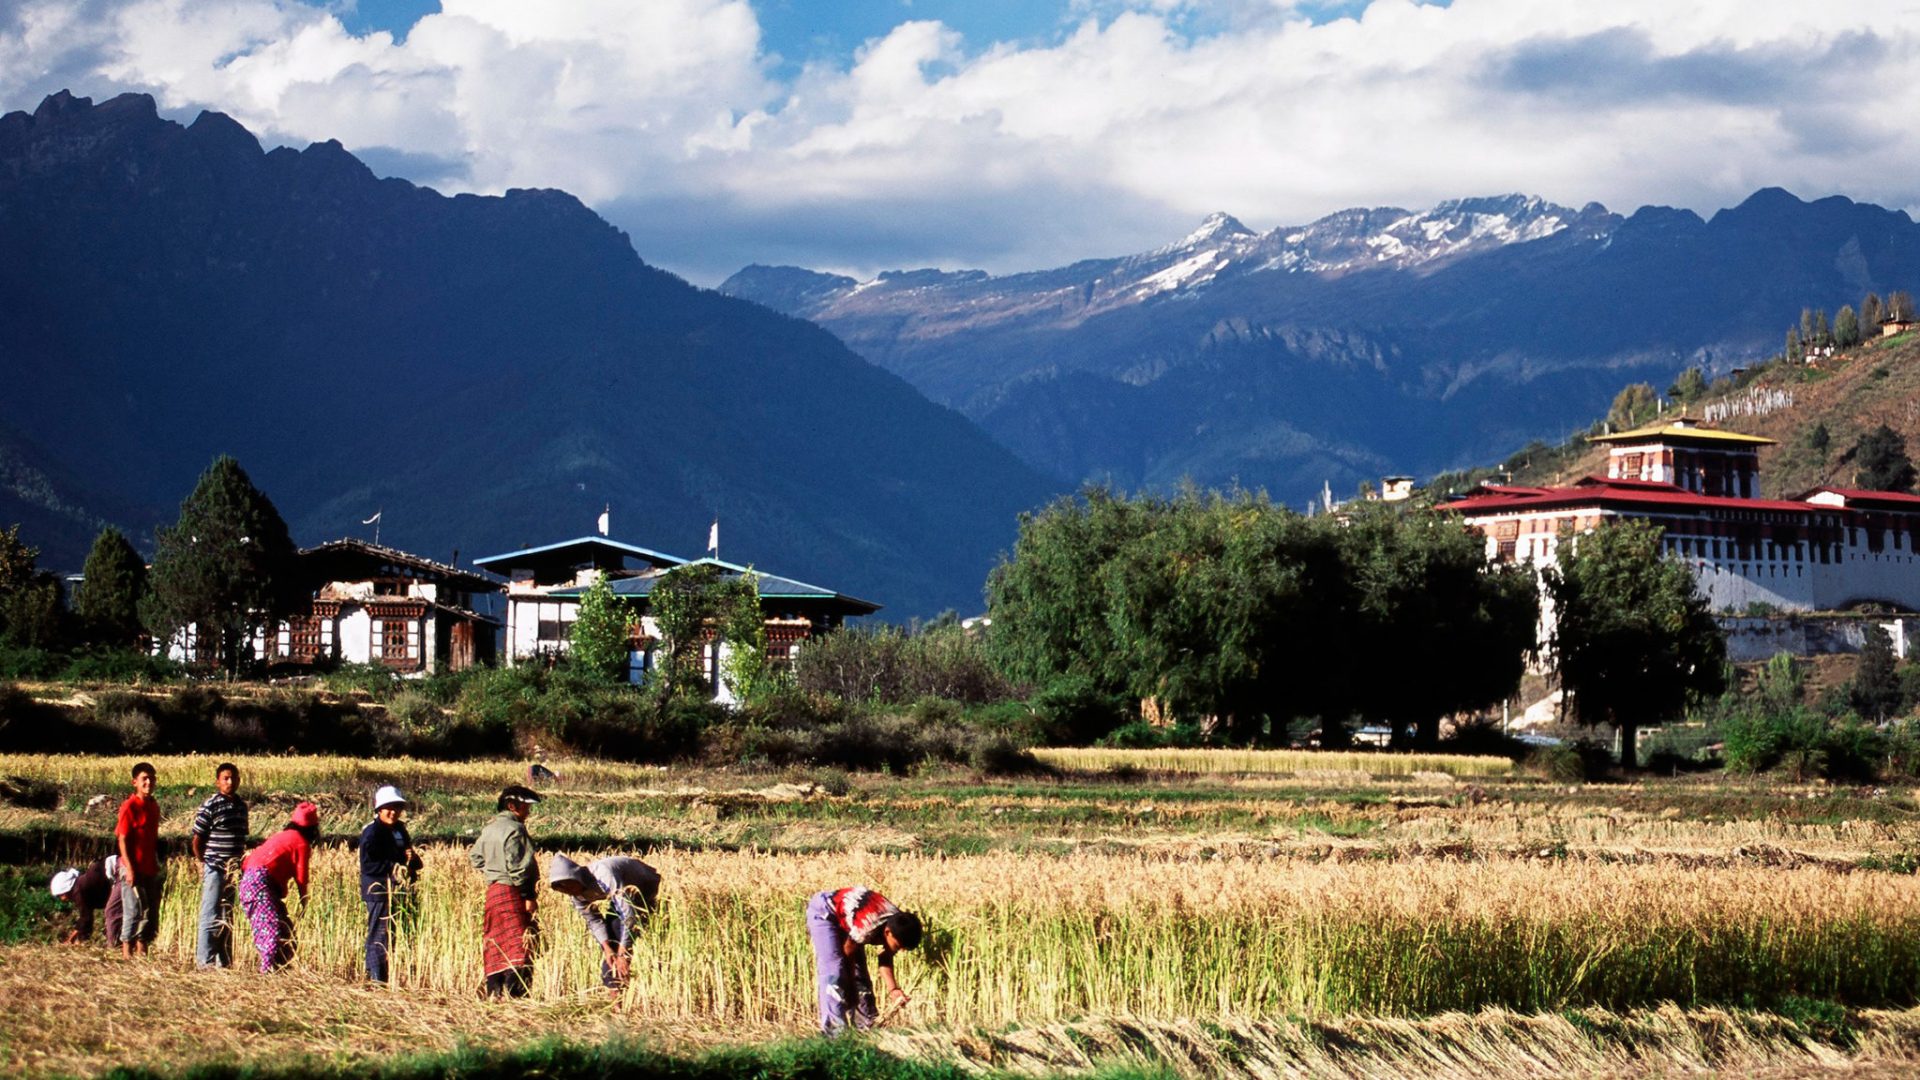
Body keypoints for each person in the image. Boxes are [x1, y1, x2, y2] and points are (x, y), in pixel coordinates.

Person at [805, 886, 923, 1034]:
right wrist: (850, 987)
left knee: (861, 979)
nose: (901, 950)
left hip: (851, 921)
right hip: (826, 912)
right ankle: (834, 1033)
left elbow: (885, 957)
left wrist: (894, 990)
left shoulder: (899, 925)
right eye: (899, 947)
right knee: (835, 971)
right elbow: (848, 953)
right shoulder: (867, 927)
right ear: (887, 933)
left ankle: (866, 1030)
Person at [546, 853, 660, 996]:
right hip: (624, 897)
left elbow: (628, 914)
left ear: (575, 878)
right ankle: (616, 996)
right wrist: (607, 948)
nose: (568, 892)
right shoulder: (575, 894)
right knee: (611, 943)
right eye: (563, 890)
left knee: (620, 932)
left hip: (645, 887)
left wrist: (622, 952)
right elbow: (593, 921)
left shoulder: (603, 874)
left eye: (568, 887)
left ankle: (620, 996)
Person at [469, 785, 541, 998]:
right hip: (512, 892)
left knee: (496, 943)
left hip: (493, 893)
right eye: (526, 807)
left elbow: (475, 857)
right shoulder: (516, 829)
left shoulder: (489, 829)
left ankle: (495, 992)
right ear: (512, 806)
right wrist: (528, 896)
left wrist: (493, 868)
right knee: (519, 944)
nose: (528, 812)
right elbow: (520, 867)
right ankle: (515, 995)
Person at [238, 801, 319, 973]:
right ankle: (267, 973)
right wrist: (304, 901)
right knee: (272, 930)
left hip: (251, 881)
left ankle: (279, 970)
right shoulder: (301, 843)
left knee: (285, 930)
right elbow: (301, 876)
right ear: (313, 829)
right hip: (260, 883)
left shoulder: (282, 835)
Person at [357, 785, 423, 984]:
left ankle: (380, 976)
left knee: (390, 936)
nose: (393, 812)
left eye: (397, 807)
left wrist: (411, 860)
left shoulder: (400, 830)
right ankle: (377, 979)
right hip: (378, 891)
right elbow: (368, 865)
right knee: (379, 934)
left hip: (397, 890)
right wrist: (394, 867)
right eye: (388, 807)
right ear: (378, 809)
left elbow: (412, 860)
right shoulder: (372, 833)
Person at [190, 761, 249, 968]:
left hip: (234, 869)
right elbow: (197, 838)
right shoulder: (211, 805)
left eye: (233, 777)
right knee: (210, 913)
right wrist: (204, 861)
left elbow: (241, 837)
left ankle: (224, 961)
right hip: (215, 866)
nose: (230, 782)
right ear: (218, 782)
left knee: (227, 914)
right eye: (225, 778)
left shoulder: (241, 806)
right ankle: (204, 962)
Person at [114, 761, 162, 958]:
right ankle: (126, 949)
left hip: (148, 866)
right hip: (132, 867)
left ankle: (142, 948)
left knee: (148, 909)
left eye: (151, 778)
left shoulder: (153, 806)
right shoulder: (129, 807)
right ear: (135, 782)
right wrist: (130, 868)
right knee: (133, 909)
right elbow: (122, 838)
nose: (148, 782)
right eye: (144, 779)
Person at [50, 857, 124, 947]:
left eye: (61, 895)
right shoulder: (80, 886)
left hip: (119, 871)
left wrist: (79, 940)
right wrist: (71, 939)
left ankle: (114, 946)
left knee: (111, 912)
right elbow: (84, 917)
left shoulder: (79, 891)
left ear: (66, 889)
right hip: (117, 870)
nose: (62, 899)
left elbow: (86, 919)